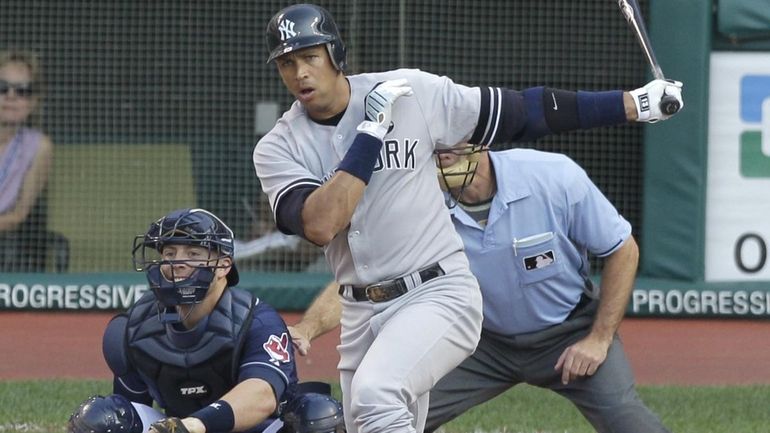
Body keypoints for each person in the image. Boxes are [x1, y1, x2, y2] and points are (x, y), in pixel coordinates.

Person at [254, 4, 683, 433]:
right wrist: (370, 135)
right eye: (287, 62)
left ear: (335, 54)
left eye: (310, 56)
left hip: (437, 292)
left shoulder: (410, 93)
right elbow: (320, 224)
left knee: (376, 395)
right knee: (362, 421)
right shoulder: (278, 148)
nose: (300, 73)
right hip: (361, 310)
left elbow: (525, 111)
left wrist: (632, 104)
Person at [291, 144, 672, 433]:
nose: (442, 161)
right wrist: (308, 329)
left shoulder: (553, 177)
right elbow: (367, 278)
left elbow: (622, 248)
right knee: (374, 413)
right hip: (477, 339)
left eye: (453, 151)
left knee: (628, 421)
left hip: (569, 332)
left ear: (482, 142)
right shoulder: (417, 202)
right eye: (435, 153)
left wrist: (599, 339)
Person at [69, 208, 299, 433]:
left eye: (193, 254)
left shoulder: (258, 321)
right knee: (100, 417)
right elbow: (129, 410)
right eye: (170, 253)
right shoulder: (135, 326)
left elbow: (262, 396)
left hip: (252, 428)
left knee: (317, 415)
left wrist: (194, 425)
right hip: (175, 428)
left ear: (224, 266)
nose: (177, 262)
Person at [0, 49, 53, 271]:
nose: (10, 96)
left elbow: (19, 215)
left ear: (33, 102)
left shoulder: (39, 146)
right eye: (2, 88)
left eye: (22, 91)